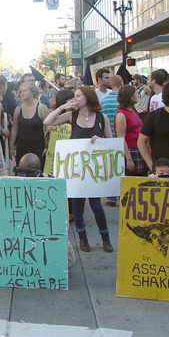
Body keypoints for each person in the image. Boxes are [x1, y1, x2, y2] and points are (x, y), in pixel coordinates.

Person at [44, 86, 114, 253]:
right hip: (76, 168)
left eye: (78, 96)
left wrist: (100, 140)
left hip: (93, 169)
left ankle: (105, 237)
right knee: (77, 204)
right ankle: (82, 237)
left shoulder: (101, 118)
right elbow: (48, 122)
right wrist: (62, 107)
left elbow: (110, 141)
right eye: (74, 97)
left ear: (88, 97)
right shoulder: (72, 115)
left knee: (96, 204)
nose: (75, 99)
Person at [14, 152, 76, 270]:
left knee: (68, 262)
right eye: (19, 170)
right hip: (25, 229)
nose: (22, 175)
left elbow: (61, 215)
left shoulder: (53, 184)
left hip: (47, 228)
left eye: (26, 172)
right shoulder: (14, 184)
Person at [9, 81, 48, 169]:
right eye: (21, 91)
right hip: (22, 147)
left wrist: (47, 146)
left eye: (25, 91)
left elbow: (48, 128)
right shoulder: (18, 109)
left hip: (39, 148)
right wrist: (11, 147)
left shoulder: (42, 108)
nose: (22, 93)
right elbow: (15, 129)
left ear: (33, 92)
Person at [115, 85, 148, 176]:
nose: (138, 95)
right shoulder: (121, 115)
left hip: (139, 147)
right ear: (129, 97)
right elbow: (121, 138)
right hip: (130, 149)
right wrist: (128, 158)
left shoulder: (132, 110)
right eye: (136, 93)